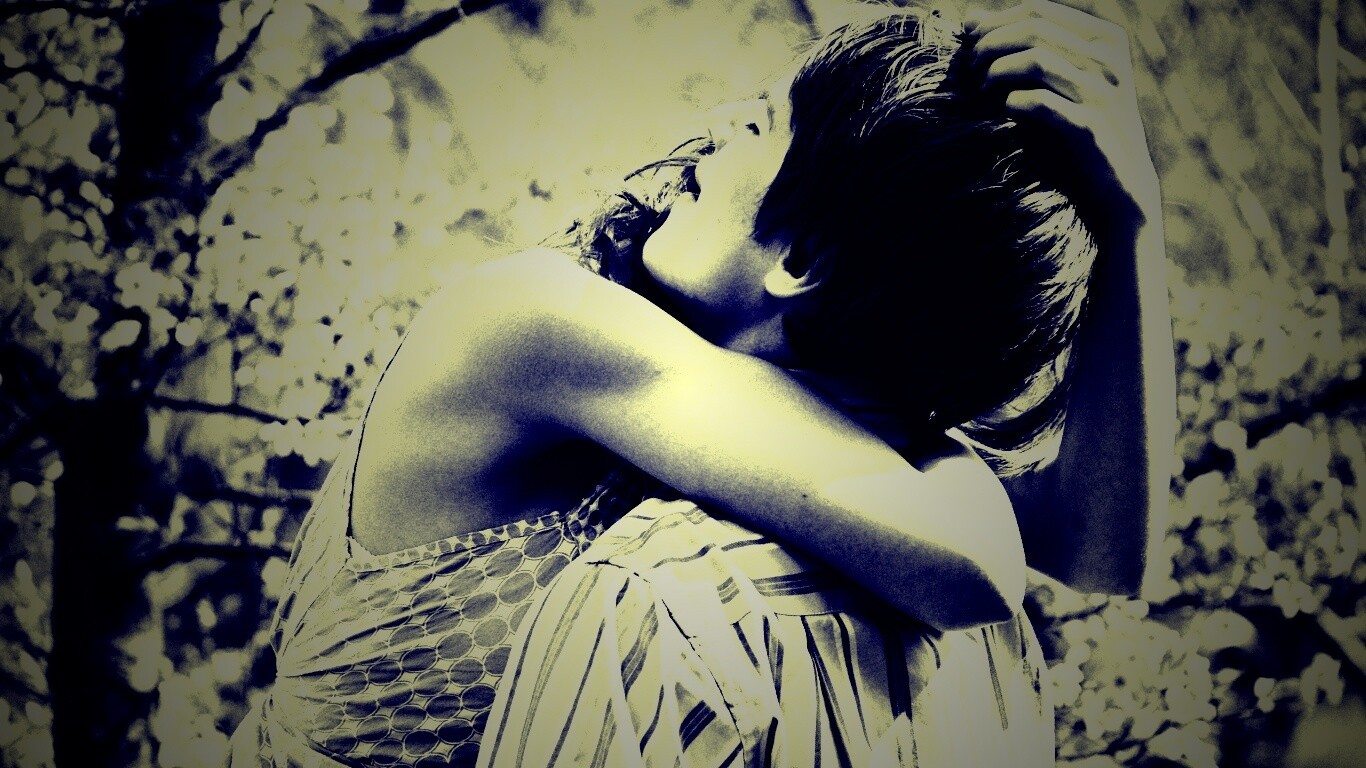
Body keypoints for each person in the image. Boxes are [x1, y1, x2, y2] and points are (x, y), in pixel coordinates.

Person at [228, 0, 1174, 764]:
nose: (716, 125)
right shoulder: (533, 324)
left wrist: (1134, 226)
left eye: (760, 123)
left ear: (800, 260)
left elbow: (1092, 549)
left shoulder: (767, 416)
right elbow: (985, 560)